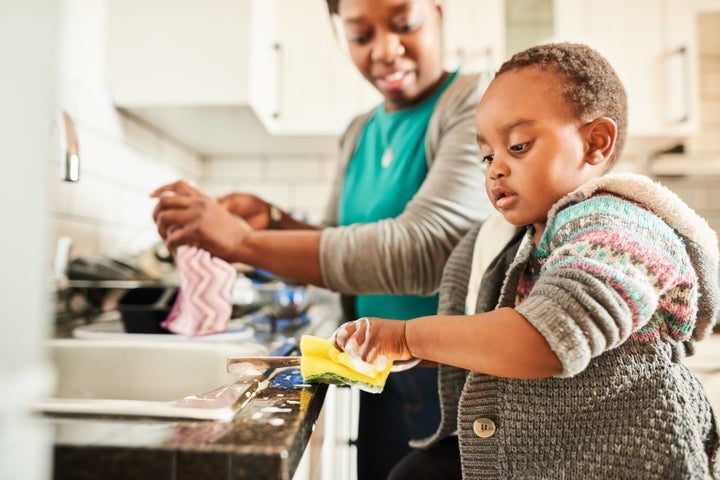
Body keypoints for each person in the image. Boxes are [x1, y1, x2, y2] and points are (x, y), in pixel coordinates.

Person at [331, 42, 720, 479]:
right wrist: (412, 354)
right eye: (487, 155)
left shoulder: (619, 228)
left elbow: (547, 338)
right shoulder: (523, 237)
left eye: (517, 147)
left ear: (596, 143)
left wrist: (408, 336)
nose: (495, 168)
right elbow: (499, 340)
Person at [151, 0, 493, 478]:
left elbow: (427, 248)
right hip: (374, 370)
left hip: (447, 382)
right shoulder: (360, 131)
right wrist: (272, 220)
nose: (385, 51)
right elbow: (338, 242)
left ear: (437, 11)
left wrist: (243, 243)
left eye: (403, 24)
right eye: (360, 35)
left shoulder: (478, 103)